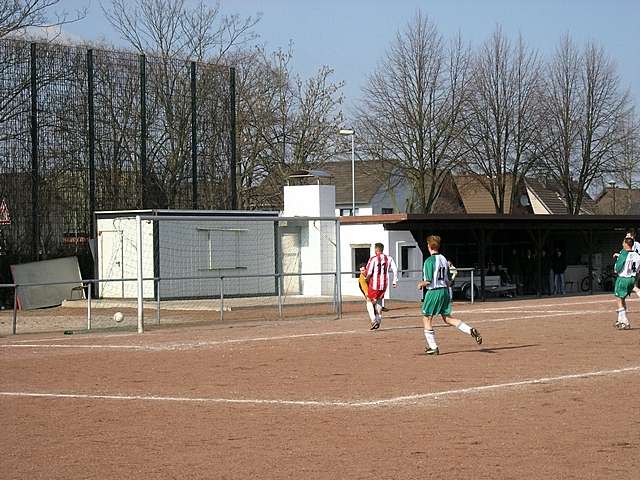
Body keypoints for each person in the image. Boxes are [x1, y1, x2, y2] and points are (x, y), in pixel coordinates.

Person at [417, 235, 482, 355]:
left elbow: (429, 280)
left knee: (427, 318)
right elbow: (448, 280)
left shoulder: (428, 261)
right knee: (447, 318)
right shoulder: (443, 259)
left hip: (434, 292)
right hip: (445, 291)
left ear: (429, 246)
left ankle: (433, 347)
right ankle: (470, 330)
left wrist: (421, 284)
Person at [364, 242, 398, 330]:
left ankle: (373, 319)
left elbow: (370, 271)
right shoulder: (389, 258)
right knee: (379, 300)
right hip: (384, 284)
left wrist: (366, 278)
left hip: (374, 283)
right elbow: (395, 269)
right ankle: (378, 320)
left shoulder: (373, 259)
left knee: (368, 300)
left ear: (376, 249)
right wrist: (394, 281)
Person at [613, 237, 640, 330]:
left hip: (623, 278)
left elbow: (617, 269)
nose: (622, 244)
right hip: (632, 278)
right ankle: (620, 319)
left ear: (626, 244)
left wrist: (617, 260)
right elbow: (638, 270)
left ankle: (625, 320)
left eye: (623, 242)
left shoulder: (623, 254)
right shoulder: (637, 255)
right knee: (623, 298)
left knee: (619, 299)